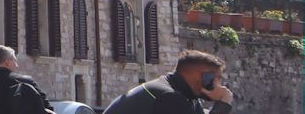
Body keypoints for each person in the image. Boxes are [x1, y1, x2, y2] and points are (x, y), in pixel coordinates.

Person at [100, 49, 233, 114]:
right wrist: (224, 103)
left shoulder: (185, 96)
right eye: (216, 79)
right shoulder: (169, 97)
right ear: (201, 76)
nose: (218, 85)